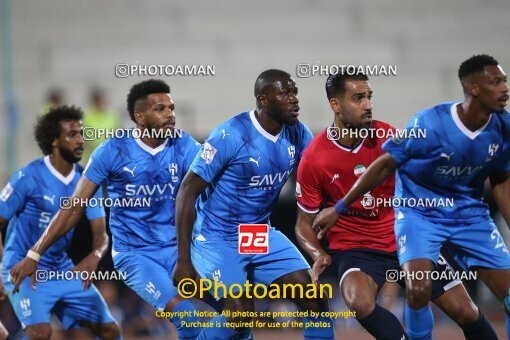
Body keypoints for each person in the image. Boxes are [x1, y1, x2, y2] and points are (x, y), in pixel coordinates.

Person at [312, 54, 510, 338]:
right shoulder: (429, 124)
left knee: (478, 307)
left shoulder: (504, 127)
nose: (504, 87)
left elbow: (502, 179)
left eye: (504, 80)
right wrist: (341, 207)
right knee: (418, 289)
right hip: (420, 217)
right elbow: (384, 164)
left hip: (470, 216)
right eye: (496, 81)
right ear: (474, 88)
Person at [9, 80, 202, 339]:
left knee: (237, 311)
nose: (170, 114)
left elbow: (217, 186)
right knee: (187, 317)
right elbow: (74, 207)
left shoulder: (184, 145)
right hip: (137, 254)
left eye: (172, 107)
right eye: (160, 108)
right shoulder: (112, 151)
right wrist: (34, 254)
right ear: (140, 116)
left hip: (179, 249)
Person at [173, 69, 334, 340]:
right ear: (263, 100)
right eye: (285, 93)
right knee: (240, 316)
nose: (294, 99)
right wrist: (183, 259)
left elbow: (317, 177)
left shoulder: (297, 133)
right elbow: (187, 192)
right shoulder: (231, 135)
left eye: (295, 92)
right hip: (217, 236)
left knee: (315, 299)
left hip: (256, 233)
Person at [0, 106, 120, 339]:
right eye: (72, 135)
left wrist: (94, 257)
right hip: (22, 268)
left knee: (110, 330)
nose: (80, 140)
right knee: (39, 333)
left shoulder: (86, 181)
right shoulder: (28, 177)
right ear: (54, 141)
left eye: (81, 133)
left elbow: (101, 234)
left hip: (61, 269)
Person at [82, 88, 119, 164]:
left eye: (102, 100)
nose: (100, 103)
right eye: (98, 100)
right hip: (91, 160)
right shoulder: (85, 116)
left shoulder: (112, 115)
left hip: (109, 159)